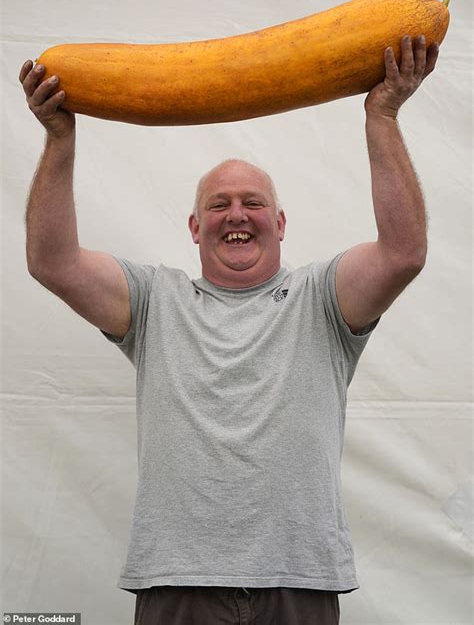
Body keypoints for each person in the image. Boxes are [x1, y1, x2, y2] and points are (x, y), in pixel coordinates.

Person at [20, 34, 439, 625]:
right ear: (195, 226)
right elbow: (52, 263)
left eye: (253, 203)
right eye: (219, 205)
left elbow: (403, 253)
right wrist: (58, 139)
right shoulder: (153, 302)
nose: (237, 215)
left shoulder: (322, 298)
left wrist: (383, 115)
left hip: (298, 581)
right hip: (176, 583)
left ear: (281, 222)